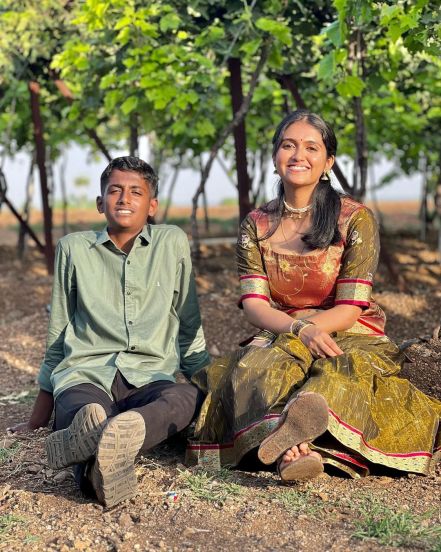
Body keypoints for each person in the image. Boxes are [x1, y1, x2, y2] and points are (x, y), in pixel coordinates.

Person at [186, 110, 441, 480]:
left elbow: (350, 308)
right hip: (281, 329)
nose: (298, 155)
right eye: (288, 145)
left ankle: (296, 434)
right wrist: (298, 330)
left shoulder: (356, 219)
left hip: (349, 330)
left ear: (328, 162)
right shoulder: (255, 225)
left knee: (341, 373)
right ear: (275, 157)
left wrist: (309, 329)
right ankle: (295, 449)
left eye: (311, 147)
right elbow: (256, 305)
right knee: (257, 370)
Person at [8, 156, 209, 507]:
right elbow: (59, 332)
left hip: (149, 378)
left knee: (185, 399)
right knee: (81, 410)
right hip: (87, 374)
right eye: (114, 190)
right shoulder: (74, 249)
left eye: (136, 192)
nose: (124, 198)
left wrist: (208, 389)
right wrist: (37, 418)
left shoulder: (171, 243)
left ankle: (121, 433)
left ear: (152, 206)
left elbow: (188, 322)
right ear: (100, 202)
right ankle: (99, 461)